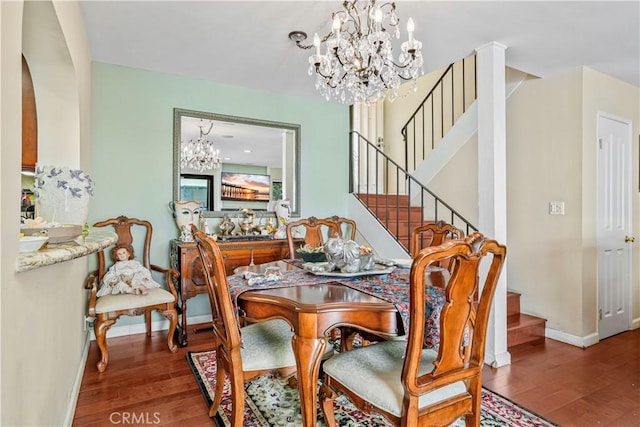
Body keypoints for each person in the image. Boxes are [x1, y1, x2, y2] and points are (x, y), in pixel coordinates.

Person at [97, 243, 161, 296]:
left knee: (137, 277)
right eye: (119, 254)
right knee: (120, 285)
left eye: (124, 253)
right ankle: (132, 291)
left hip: (134, 278)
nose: (122, 255)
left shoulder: (134, 263)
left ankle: (142, 288)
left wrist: (145, 276)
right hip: (123, 280)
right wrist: (111, 281)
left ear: (128, 254)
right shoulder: (116, 266)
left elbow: (142, 269)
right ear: (116, 257)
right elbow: (111, 273)